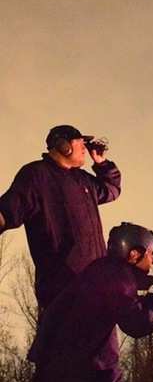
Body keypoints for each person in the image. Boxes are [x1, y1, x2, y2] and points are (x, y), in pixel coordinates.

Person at [29, 222, 153, 382]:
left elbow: (123, 308)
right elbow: (134, 323)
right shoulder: (118, 277)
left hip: (63, 368)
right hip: (67, 375)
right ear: (133, 255)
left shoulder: (107, 271)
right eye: (150, 253)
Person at [0, 124, 121, 311]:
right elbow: (8, 211)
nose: (85, 148)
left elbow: (111, 190)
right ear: (65, 146)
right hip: (63, 290)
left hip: (98, 288)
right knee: (63, 340)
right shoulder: (37, 175)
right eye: (80, 143)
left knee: (101, 340)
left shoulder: (83, 180)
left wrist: (102, 163)